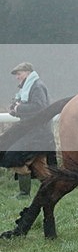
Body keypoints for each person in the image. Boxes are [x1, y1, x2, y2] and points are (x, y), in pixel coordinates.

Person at [0, 62, 52, 198]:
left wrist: (19, 108)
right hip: (35, 132)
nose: (17, 77)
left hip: (37, 133)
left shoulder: (37, 87)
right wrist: (15, 110)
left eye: (19, 73)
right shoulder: (28, 88)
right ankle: (51, 191)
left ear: (28, 72)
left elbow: (39, 107)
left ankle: (25, 194)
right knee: (39, 165)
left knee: (14, 158)